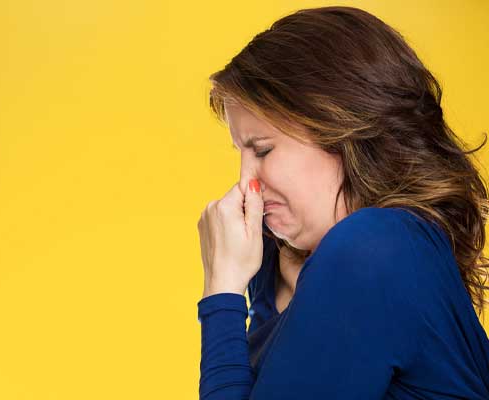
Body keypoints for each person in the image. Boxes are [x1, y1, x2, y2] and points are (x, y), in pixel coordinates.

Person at [196, 5, 489, 399]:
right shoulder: (277, 267)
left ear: (343, 133)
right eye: (241, 153)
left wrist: (222, 292)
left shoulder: (374, 248)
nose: (246, 180)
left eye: (262, 150)